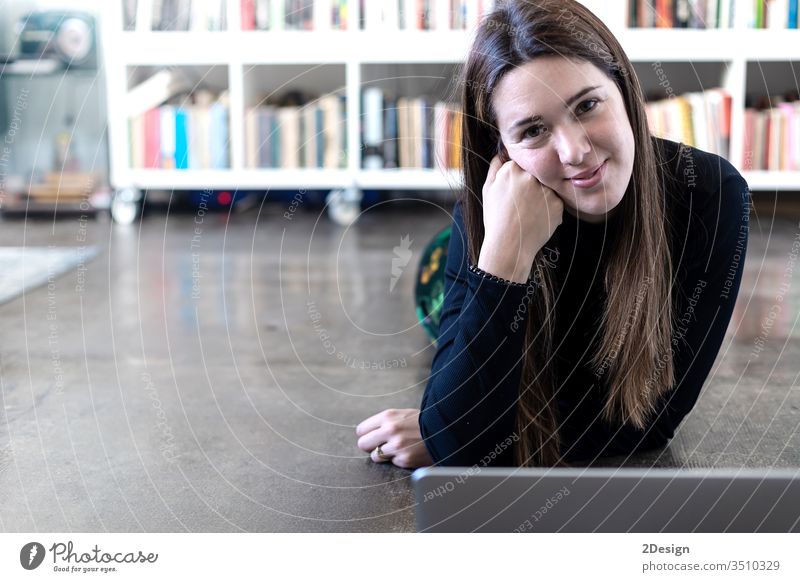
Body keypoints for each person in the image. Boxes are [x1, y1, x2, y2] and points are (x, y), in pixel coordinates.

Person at [355, 0, 749, 469]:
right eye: (533, 130)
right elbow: (460, 448)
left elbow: (646, 427)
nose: (575, 151)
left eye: (586, 105)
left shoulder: (710, 194)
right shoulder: (485, 212)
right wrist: (503, 260)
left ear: (625, 91)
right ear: (502, 151)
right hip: (453, 272)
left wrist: (451, 427)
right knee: (438, 301)